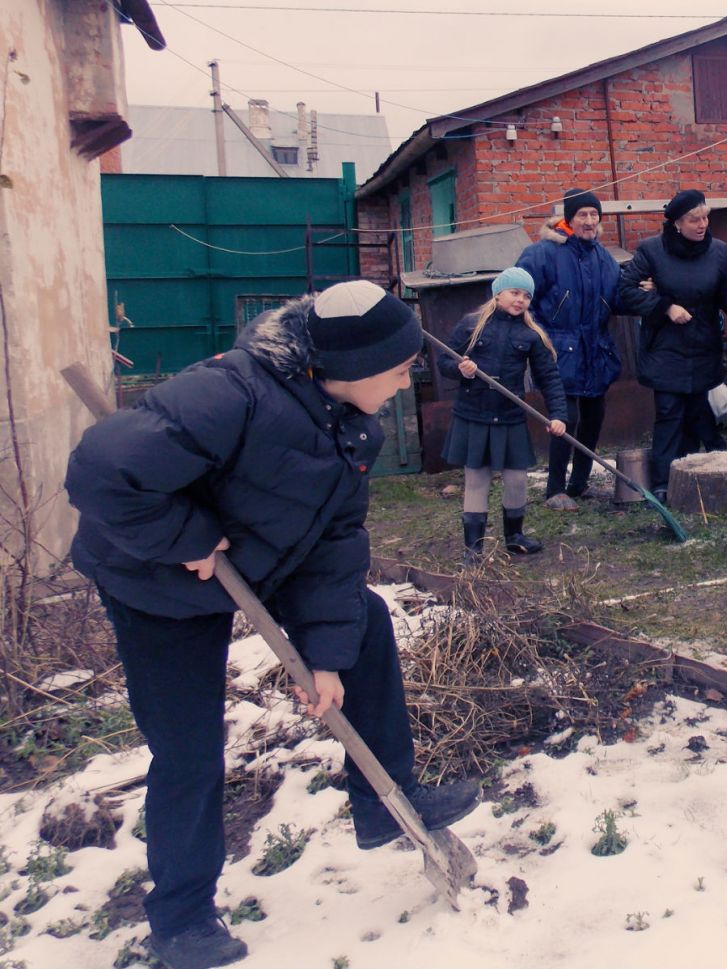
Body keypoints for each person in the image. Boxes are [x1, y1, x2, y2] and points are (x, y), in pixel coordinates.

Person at [65, 281, 480, 969]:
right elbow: (98, 472)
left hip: (253, 558)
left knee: (364, 619)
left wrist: (326, 659)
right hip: (153, 579)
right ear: (353, 366)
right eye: (401, 368)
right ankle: (181, 917)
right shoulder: (231, 393)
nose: (407, 384)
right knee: (190, 748)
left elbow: (334, 546)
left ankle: (384, 802)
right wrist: (183, 536)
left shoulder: (354, 427)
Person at [617, 189, 727, 500]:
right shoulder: (652, 250)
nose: (702, 224)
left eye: (705, 218)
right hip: (665, 347)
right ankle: (663, 482)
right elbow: (626, 290)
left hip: (703, 344)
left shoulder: (718, 251)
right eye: (694, 220)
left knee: (698, 412)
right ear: (677, 223)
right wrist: (665, 307)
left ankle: (694, 476)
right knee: (669, 412)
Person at [437, 267, 568, 563]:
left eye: (526, 296)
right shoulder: (472, 325)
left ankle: (515, 537)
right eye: (514, 293)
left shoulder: (531, 335)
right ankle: (473, 549)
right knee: (477, 479)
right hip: (474, 415)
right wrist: (461, 369)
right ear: (498, 294)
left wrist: (559, 415)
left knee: (517, 479)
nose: (520, 300)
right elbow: (443, 360)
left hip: (509, 416)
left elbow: (549, 378)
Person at [516, 189, 623, 512]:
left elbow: (618, 297)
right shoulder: (542, 254)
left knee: (594, 416)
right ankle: (555, 489)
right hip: (557, 350)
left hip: (594, 350)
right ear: (568, 219)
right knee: (565, 417)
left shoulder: (603, 257)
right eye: (582, 215)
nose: (589, 221)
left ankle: (579, 483)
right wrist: (538, 339)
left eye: (594, 215)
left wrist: (647, 291)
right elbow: (521, 298)